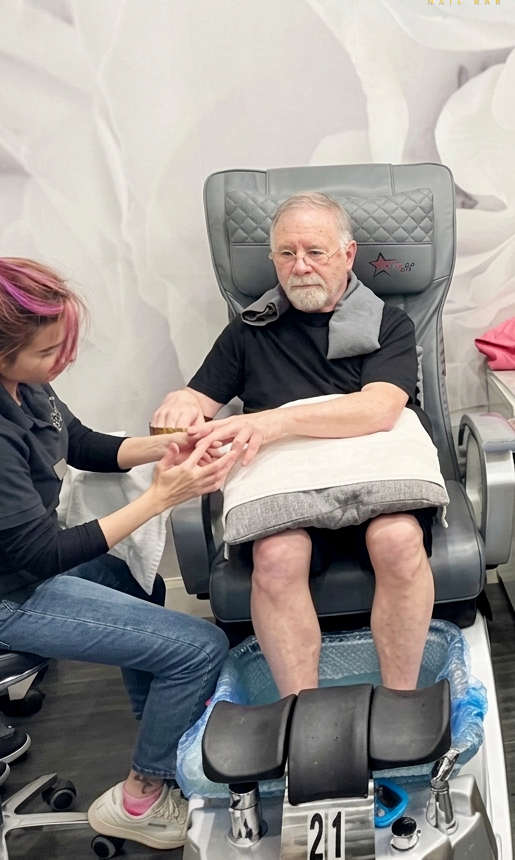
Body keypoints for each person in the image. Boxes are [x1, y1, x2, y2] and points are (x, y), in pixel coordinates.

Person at [0, 240, 237, 852]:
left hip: (17, 571)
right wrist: (162, 496)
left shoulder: (18, 382)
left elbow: (78, 442)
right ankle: (144, 793)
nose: (64, 360)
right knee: (198, 647)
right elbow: (41, 556)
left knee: (135, 582)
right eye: (49, 351)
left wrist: (169, 447)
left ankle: (164, 740)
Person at [152, 192, 435, 697]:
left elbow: (378, 409)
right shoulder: (249, 331)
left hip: (374, 485)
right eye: (286, 254)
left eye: (315, 252)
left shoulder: (387, 323)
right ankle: (301, 711)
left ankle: (401, 702)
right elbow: (199, 401)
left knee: (398, 540)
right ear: (272, 260)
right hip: (288, 496)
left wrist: (271, 425)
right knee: (278, 556)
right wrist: (179, 404)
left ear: (348, 255)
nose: (300, 266)